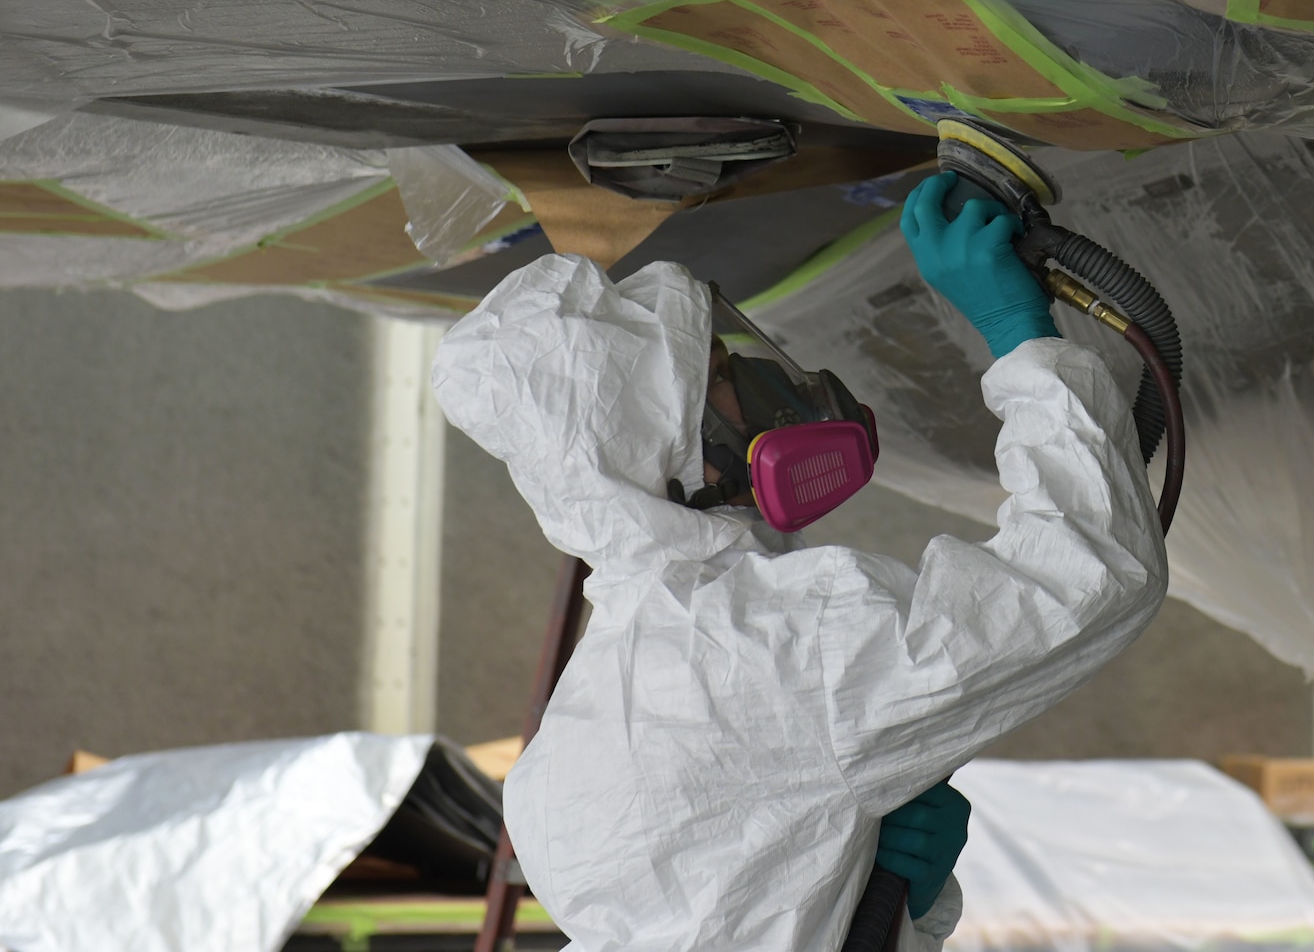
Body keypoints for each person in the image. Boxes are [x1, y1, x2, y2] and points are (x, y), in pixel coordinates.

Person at [432, 171, 1168, 951]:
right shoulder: (774, 644)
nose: (761, 383)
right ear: (672, 454)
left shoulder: (559, 758)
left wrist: (897, 905)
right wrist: (1019, 331)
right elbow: (1090, 572)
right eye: (722, 375)